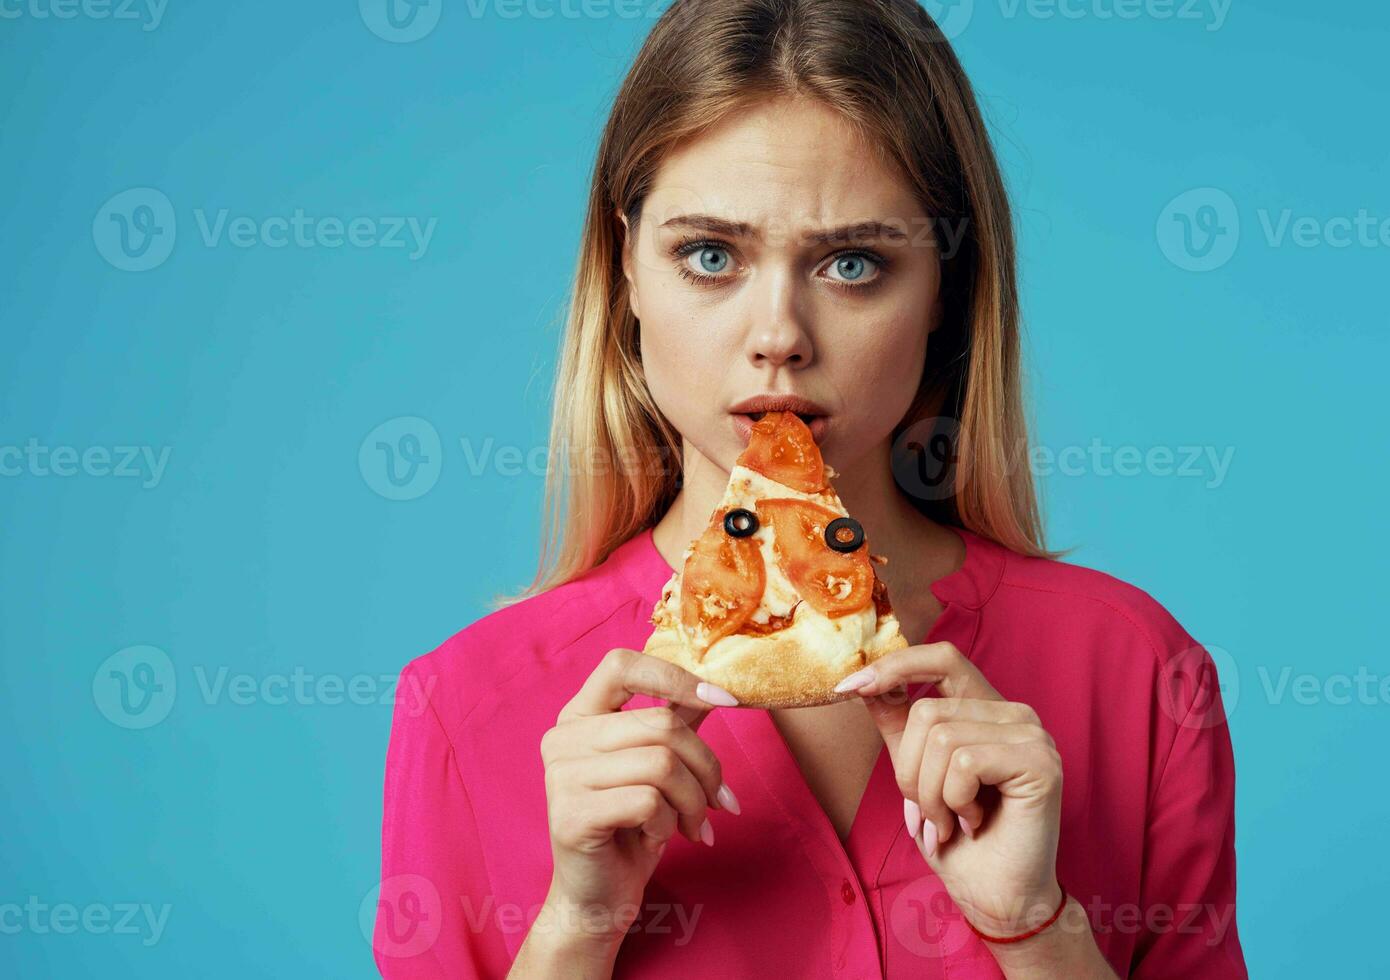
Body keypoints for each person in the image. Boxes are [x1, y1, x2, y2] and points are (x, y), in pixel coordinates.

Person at [374, 1, 1247, 976]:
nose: (779, 332)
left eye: (852, 263)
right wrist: (576, 926)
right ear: (625, 265)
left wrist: (1036, 923)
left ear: (946, 289)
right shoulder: (465, 706)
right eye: (710, 255)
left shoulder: (1139, 675)